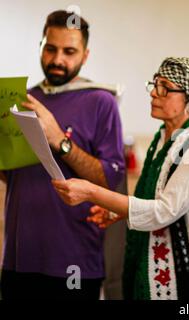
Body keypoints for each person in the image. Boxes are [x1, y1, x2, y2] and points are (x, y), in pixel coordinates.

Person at [52, 57, 189, 300]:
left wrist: (92, 192)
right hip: (153, 264)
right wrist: (119, 211)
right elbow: (156, 197)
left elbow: (165, 210)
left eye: (165, 88)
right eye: (154, 84)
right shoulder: (163, 138)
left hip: (188, 279)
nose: (154, 93)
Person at [0, 10, 125, 299]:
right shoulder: (22, 99)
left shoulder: (101, 102)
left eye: (69, 51)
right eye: (51, 48)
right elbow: (13, 175)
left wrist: (59, 140)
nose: (58, 59)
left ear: (86, 54)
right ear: (41, 46)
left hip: (74, 263)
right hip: (18, 258)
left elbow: (108, 179)